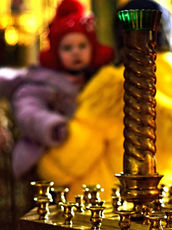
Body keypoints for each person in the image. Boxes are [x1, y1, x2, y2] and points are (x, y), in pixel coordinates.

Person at [36, 0, 172, 199]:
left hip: (100, 206)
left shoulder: (115, 84)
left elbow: (72, 156)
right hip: (155, 206)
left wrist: (46, 165)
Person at [0, 0, 114, 195]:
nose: (76, 52)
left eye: (82, 46)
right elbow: (28, 109)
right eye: (67, 48)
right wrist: (51, 125)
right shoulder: (44, 80)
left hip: (84, 156)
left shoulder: (98, 79)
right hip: (47, 152)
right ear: (56, 53)